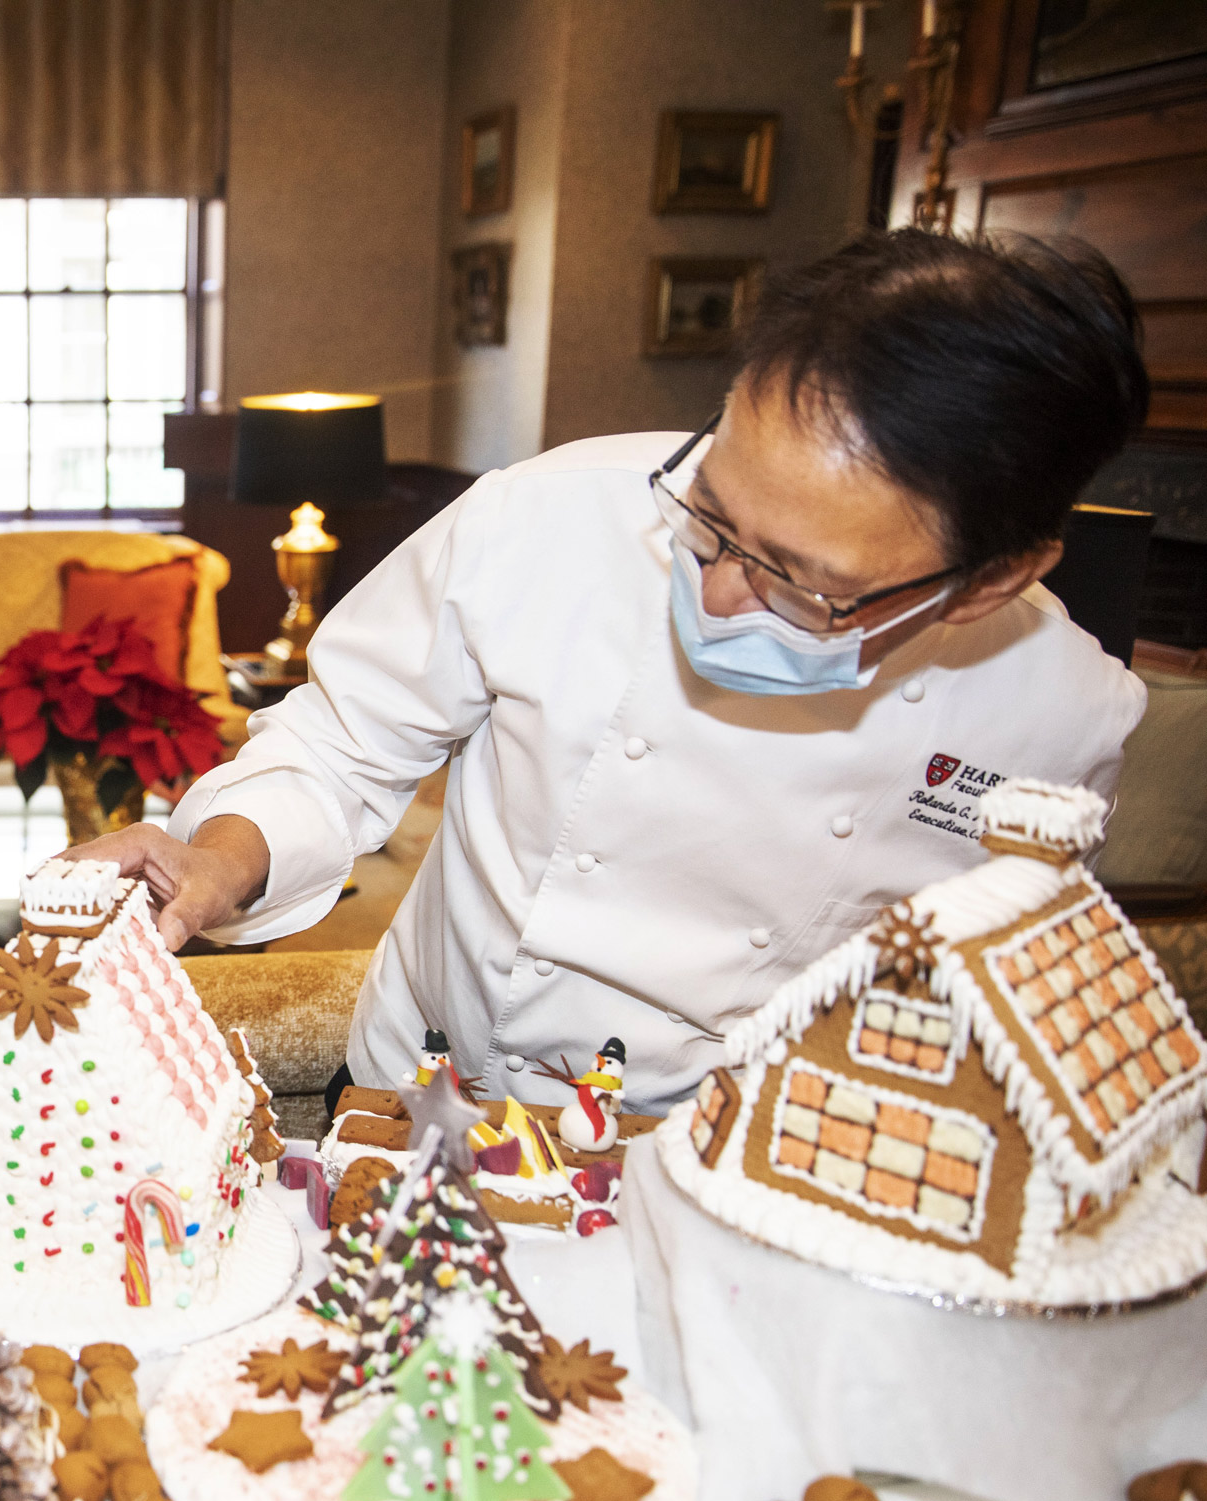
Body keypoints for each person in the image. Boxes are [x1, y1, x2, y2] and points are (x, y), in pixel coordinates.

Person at [75, 230, 1151, 1113]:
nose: (720, 591)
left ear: (989, 581)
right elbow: (338, 747)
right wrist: (216, 860)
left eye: (801, 580)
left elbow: (969, 1010)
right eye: (711, 516)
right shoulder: (545, 515)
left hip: (717, 1167)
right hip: (424, 1093)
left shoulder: (1058, 718)